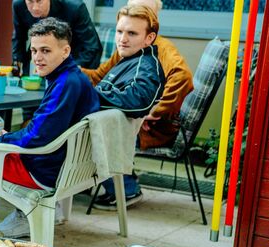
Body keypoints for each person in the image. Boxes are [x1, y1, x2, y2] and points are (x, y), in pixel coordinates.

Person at [0, 18, 99, 233]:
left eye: (45, 50)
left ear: (65, 51)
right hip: (51, 162)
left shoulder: (65, 84)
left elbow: (37, 137)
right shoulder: (71, 77)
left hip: (38, 168)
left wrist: (3, 139)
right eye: (34, 51)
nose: (37, 58)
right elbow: (42, 131)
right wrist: (6, 138)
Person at [82, 0, 193, 209]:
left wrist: (156, 111)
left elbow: (183, 77)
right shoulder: (126, 49)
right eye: (120, 30)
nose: (124, 38)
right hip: (123, 116)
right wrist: (68, 67)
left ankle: (125, 187)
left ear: (153, 20)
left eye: (143, 10)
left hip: (149, 125)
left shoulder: (161, 49)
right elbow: (99, 76)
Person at [90, 4, 166, 209]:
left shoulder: (146, 65)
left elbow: (137, 102)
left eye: (132, 33)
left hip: (91, 149)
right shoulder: (129, 58)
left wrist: (89, 94)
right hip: (92, 143)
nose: (123, 38)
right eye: (119, 31)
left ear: (149, 38)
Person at [12, 0, 102, 74]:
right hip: (42, 51)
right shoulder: (18, 5)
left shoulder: (75, 7)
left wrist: (71, 69)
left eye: (39, 1)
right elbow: (18, 38)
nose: (35, 7)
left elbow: (91, 46)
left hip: (75, 56)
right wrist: (17, 63)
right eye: (30, 1)